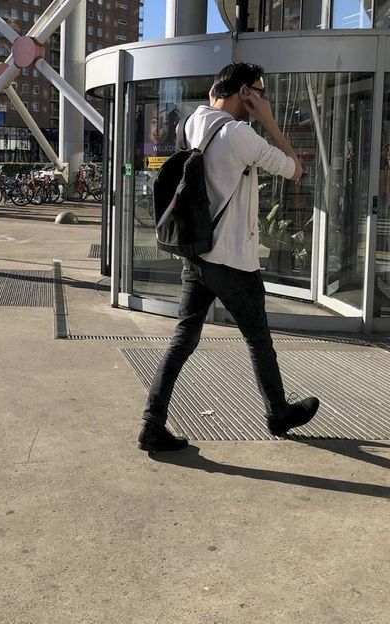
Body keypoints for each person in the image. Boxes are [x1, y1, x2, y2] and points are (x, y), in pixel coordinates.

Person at [137, 62, 320, 453]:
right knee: (258, 340)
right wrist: (269, 122)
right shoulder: (240, 134)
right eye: (260, 92)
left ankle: (152, 421)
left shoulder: (193, 124)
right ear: (245, 94)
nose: (263, 99)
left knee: (183, 338)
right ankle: (278, 413)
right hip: (234, 260)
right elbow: (295, 170)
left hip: (198, 254)